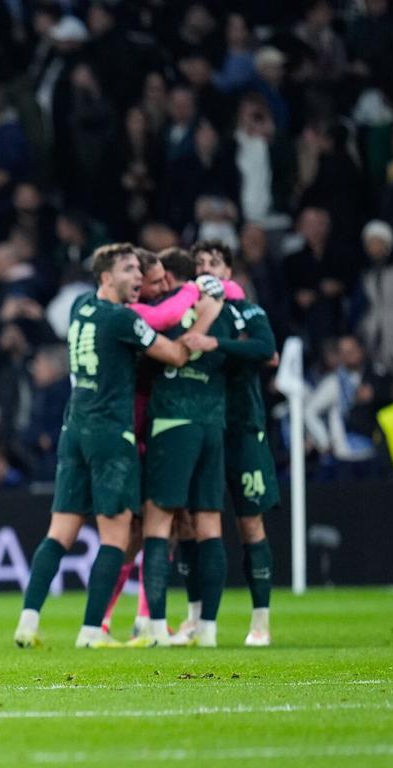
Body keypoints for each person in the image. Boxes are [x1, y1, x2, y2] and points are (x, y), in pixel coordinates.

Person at [14, 243, 220, 649]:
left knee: (59, 533)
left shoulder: (80, 309)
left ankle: (28, 621)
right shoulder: (121, 320)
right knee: (117, 536)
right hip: (111, 434)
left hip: (73, 430)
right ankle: (92, 631)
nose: (138, 280)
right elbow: (175, 355)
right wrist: (207, 315)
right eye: (129, 270)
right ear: (106, 276)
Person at [132, 244, 239, 648]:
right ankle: (206, 629)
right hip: (213, 422)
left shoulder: (168, 312)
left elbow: (172, 348)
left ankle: (156, 628)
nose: (157, 288)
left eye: (161, 281)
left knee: (159, 525)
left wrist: (196, 301)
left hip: (173, 422)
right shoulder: (226, 312)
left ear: (173, 281)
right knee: (208, 525)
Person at [184, 240, 278, 647]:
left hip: (241, 426)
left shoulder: (246, 310)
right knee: (192, 524)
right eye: (199, 263)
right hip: (202, 427)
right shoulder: (187, 313)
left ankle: (260, 622)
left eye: (214, 262)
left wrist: (218, 344)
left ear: (228, 271)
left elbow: (266, 349)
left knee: (249, 523)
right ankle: (194, 618)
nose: (207, 268)